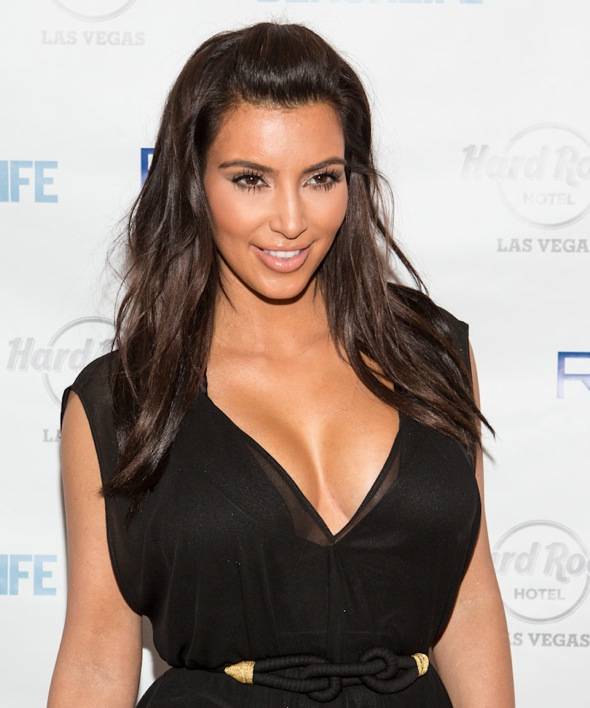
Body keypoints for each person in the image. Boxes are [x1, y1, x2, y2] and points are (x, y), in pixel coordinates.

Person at [48, 20, 514, 708]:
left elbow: (469, 603)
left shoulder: (431, 354)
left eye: (321, 178)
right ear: (194, 182)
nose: (291, 219)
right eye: (251, 180)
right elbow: (95, 655)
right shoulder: (122, 403)